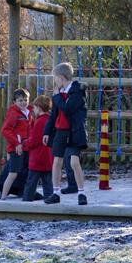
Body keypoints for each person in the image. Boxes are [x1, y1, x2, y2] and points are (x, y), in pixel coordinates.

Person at [42, 63, 89, 205]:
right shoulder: (59, 93)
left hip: (74, 132)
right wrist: (47, 132)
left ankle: (81, 193)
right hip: (60, 131)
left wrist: (56, 97)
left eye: (55, 77)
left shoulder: (77, 90)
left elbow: (68, 108)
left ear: (61, 77)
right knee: (57, 162)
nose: (54, 81)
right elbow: (53, 115)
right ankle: (55, 193)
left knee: (74, 162)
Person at [0, 88, 33, 199]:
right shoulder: (14, 113)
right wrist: (17, 144)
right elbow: (5, 130)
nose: (23, 102)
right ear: (14, 102)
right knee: (13, 173)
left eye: (25, 100)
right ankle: (3, 196)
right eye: (20, 100)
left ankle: (25, 193)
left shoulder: (29, 112)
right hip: (16, 148)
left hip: (27, 147)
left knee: (27, 171)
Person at [23, 95, 53, 202]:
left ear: (39, 108)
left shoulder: (40, 121)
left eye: (34, 108)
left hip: (37, 158)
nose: (33, 110)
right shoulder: (50, 120)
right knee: (48, 183)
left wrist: (24, 144)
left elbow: (34, 141)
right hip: (48, 157)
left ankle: (26, 203)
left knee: (31, 183)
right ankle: (49, 203)